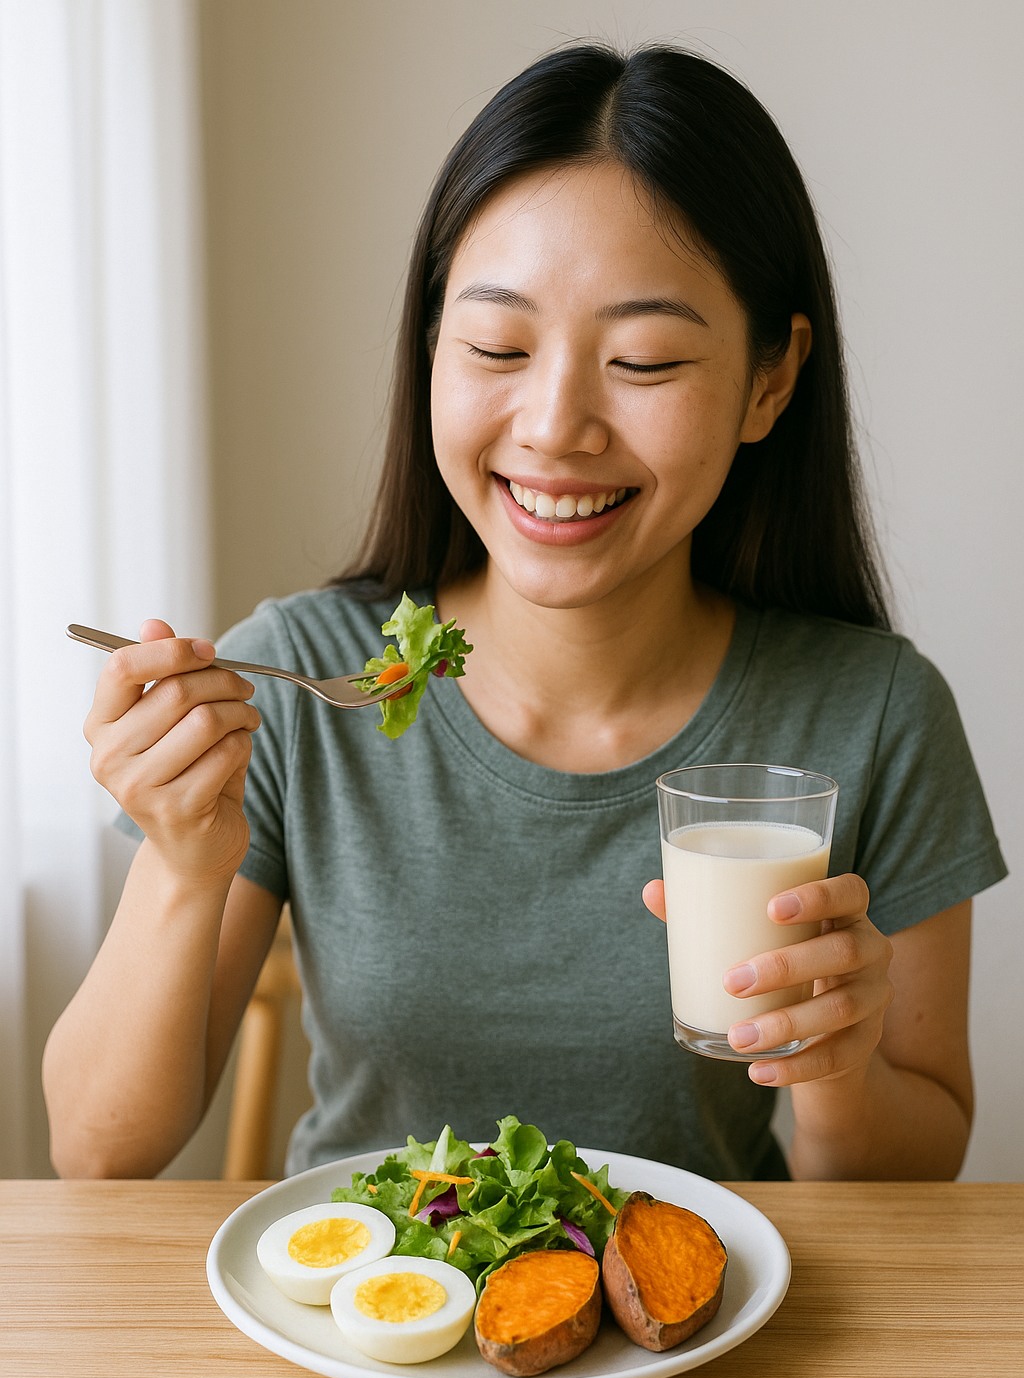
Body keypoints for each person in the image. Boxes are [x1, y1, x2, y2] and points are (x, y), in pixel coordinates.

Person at [43, 43, 1005, 1183]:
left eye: (643, 361)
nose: (553, 427)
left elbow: (917, 1178)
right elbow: (98, 1152)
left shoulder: (872, 713)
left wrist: (832, 1066)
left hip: (698, 1292)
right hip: (365, 1283)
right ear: (431, 345)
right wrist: (181, 865)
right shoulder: (295, 680)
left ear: (770, 380)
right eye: (497, 346)